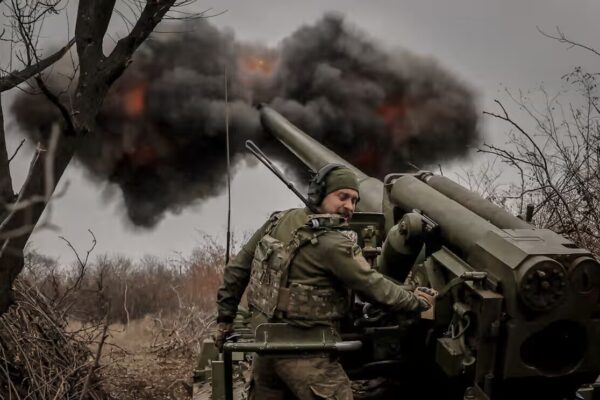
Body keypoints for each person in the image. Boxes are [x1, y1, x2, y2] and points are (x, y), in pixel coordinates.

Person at [215, 164, 436, 400]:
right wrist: (416, 301)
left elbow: (237, 270)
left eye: (354, 200)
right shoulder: (334, 243)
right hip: (308, 353)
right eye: (343, 197)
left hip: (265, 347)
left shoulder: (277, 221)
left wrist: (225, 320)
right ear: (318, 194)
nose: (349, 207)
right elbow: (375, 288)